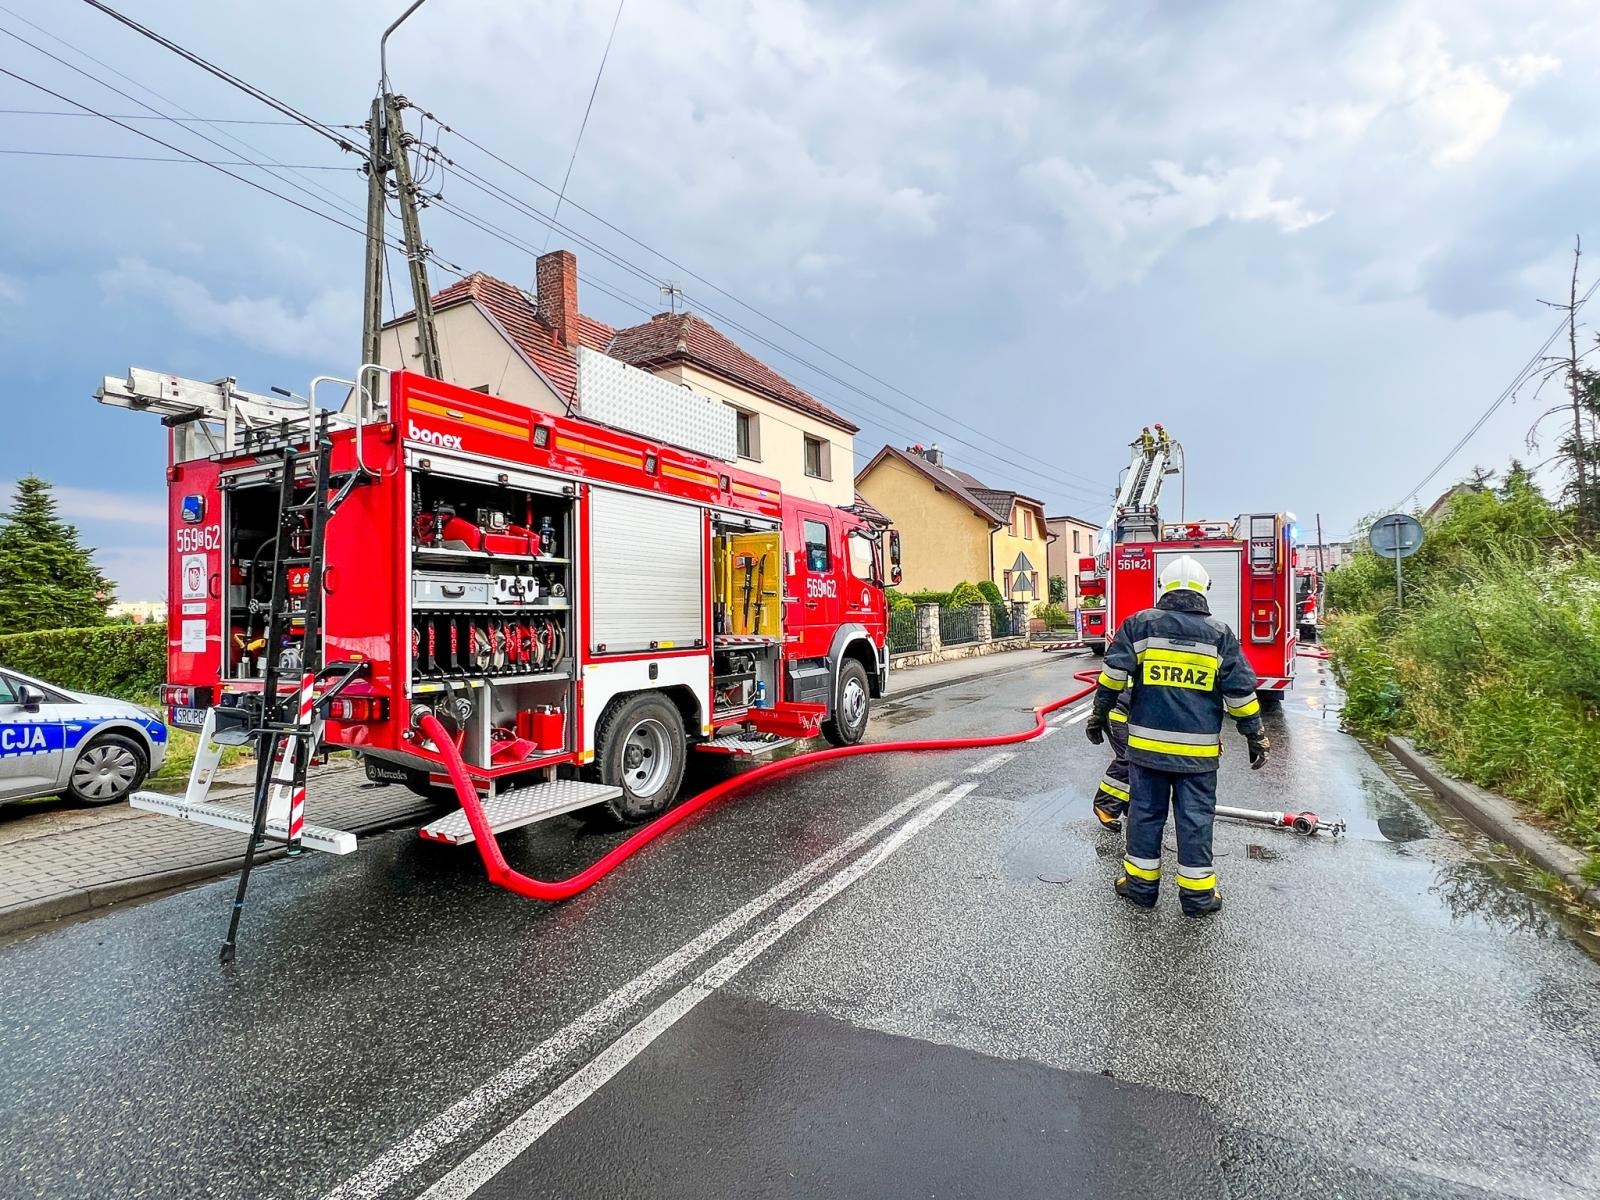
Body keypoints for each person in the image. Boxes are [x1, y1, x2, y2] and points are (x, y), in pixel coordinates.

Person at [1085, 555, 1269, 917]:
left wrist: (1097, 715)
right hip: (1197, 757)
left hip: (1146, 752)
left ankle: (1139, 888)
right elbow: (1241, 694)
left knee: (1145, 816)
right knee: (1196, 820)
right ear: (1204, 590)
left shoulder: (1139, 625)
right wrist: (1255, 734)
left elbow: (1111, 678)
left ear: (1163, 588)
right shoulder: (1220, 634)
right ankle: (1198, 898)